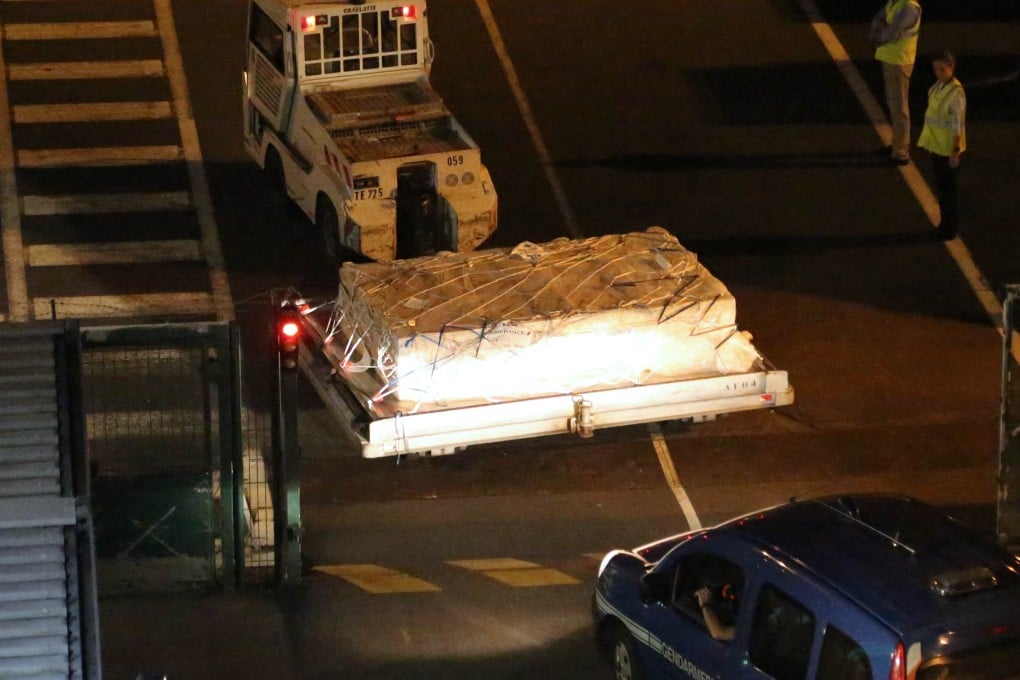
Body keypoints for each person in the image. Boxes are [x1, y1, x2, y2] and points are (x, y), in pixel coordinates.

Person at [918, 51, 966, 240]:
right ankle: (945, 225)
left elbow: (957, 125)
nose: (938, 73)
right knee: (943, 189)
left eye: (942, 69)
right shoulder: (938, 87)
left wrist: (955, 152)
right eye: (935, 69)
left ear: (951, 67)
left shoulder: (956, 93)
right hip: (937, 147)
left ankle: (950, 228)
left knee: (948, 192)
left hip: (947, 150)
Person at [870, 0, 922, 165]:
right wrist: (881, 27)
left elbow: (890, 34)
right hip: (892, 59)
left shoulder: (908, 8)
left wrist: (878, 34)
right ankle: (897, 144)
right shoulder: (895, 3)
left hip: (900, 62)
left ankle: (901, 152)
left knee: (899, 106)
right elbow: (880, 17)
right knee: (894, 104)